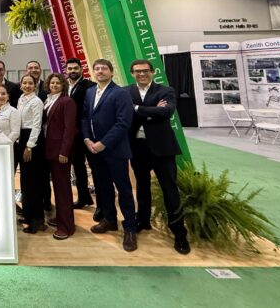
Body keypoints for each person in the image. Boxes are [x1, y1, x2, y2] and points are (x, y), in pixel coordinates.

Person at [127, 59, 190, 254]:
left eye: (145, 70)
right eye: (137, 71)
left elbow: (166, 112)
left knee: (170, 190)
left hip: (162, 148)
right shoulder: (126, 92)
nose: (142, 74)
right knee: (142, 186)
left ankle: (179, 233)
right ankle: (143, 220)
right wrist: (153, 111)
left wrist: (136, 109)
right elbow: (124, 115)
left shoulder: (165, 90)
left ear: (153, 72)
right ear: (132, 74)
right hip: (137, 147)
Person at [82, 58, 138, 252]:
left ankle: (130, 228)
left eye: (104, 68)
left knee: (124, 190)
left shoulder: (121, 93)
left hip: (115, 150)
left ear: (111, 72)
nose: (100, 71)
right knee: (103, 188)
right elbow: (85, 117)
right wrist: (86, 139)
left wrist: (103, 143)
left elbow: (123, 123)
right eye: (97, 69)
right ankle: (110, 220)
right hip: (94, 150)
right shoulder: (90, 92)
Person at [43, 73, 77, 240]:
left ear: (63, 85)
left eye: (58, 83)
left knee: (62, 189)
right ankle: (61, 218)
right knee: (57, 187)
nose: (54, 85)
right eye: (52, 83)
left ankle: (66, 226)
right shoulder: (48, 100)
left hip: (60, 152)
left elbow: (70, 129)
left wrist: (64, 151)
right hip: (48, 149)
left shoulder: (67, 101)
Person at [65, 57, 97, 213]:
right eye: (70, 69)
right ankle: (84, 197)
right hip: (72, 133)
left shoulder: (91, 86)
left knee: (94, 166)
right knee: (78, 167)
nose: (72, 71)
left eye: (75, 68)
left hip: (88, 132)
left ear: (81, 69)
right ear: (66, 70)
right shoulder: (64, 86)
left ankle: (102, 202)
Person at [17, 73, 45, 234]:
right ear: (21, 85)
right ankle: (27, 215)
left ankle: (37, 220)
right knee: (25, 181)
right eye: (25, 83)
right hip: (22, 138)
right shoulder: (21, 99)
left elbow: (37, 125)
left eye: (30, 83)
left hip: (32, 141)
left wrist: (29, 146)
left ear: (35, 86)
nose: (27, 86)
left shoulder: (36, 101)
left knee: (33, 182)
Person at [25, 60, 50, 213]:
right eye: (30, 68)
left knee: (43, 173)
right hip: (29, 137)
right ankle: (33, 204)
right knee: (31, 174)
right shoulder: (22, 93)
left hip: (43, 137)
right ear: (26, 70)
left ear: (40, 70)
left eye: (36, 67)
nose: (33, 70)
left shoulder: (48, 87)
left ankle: (46, 202)